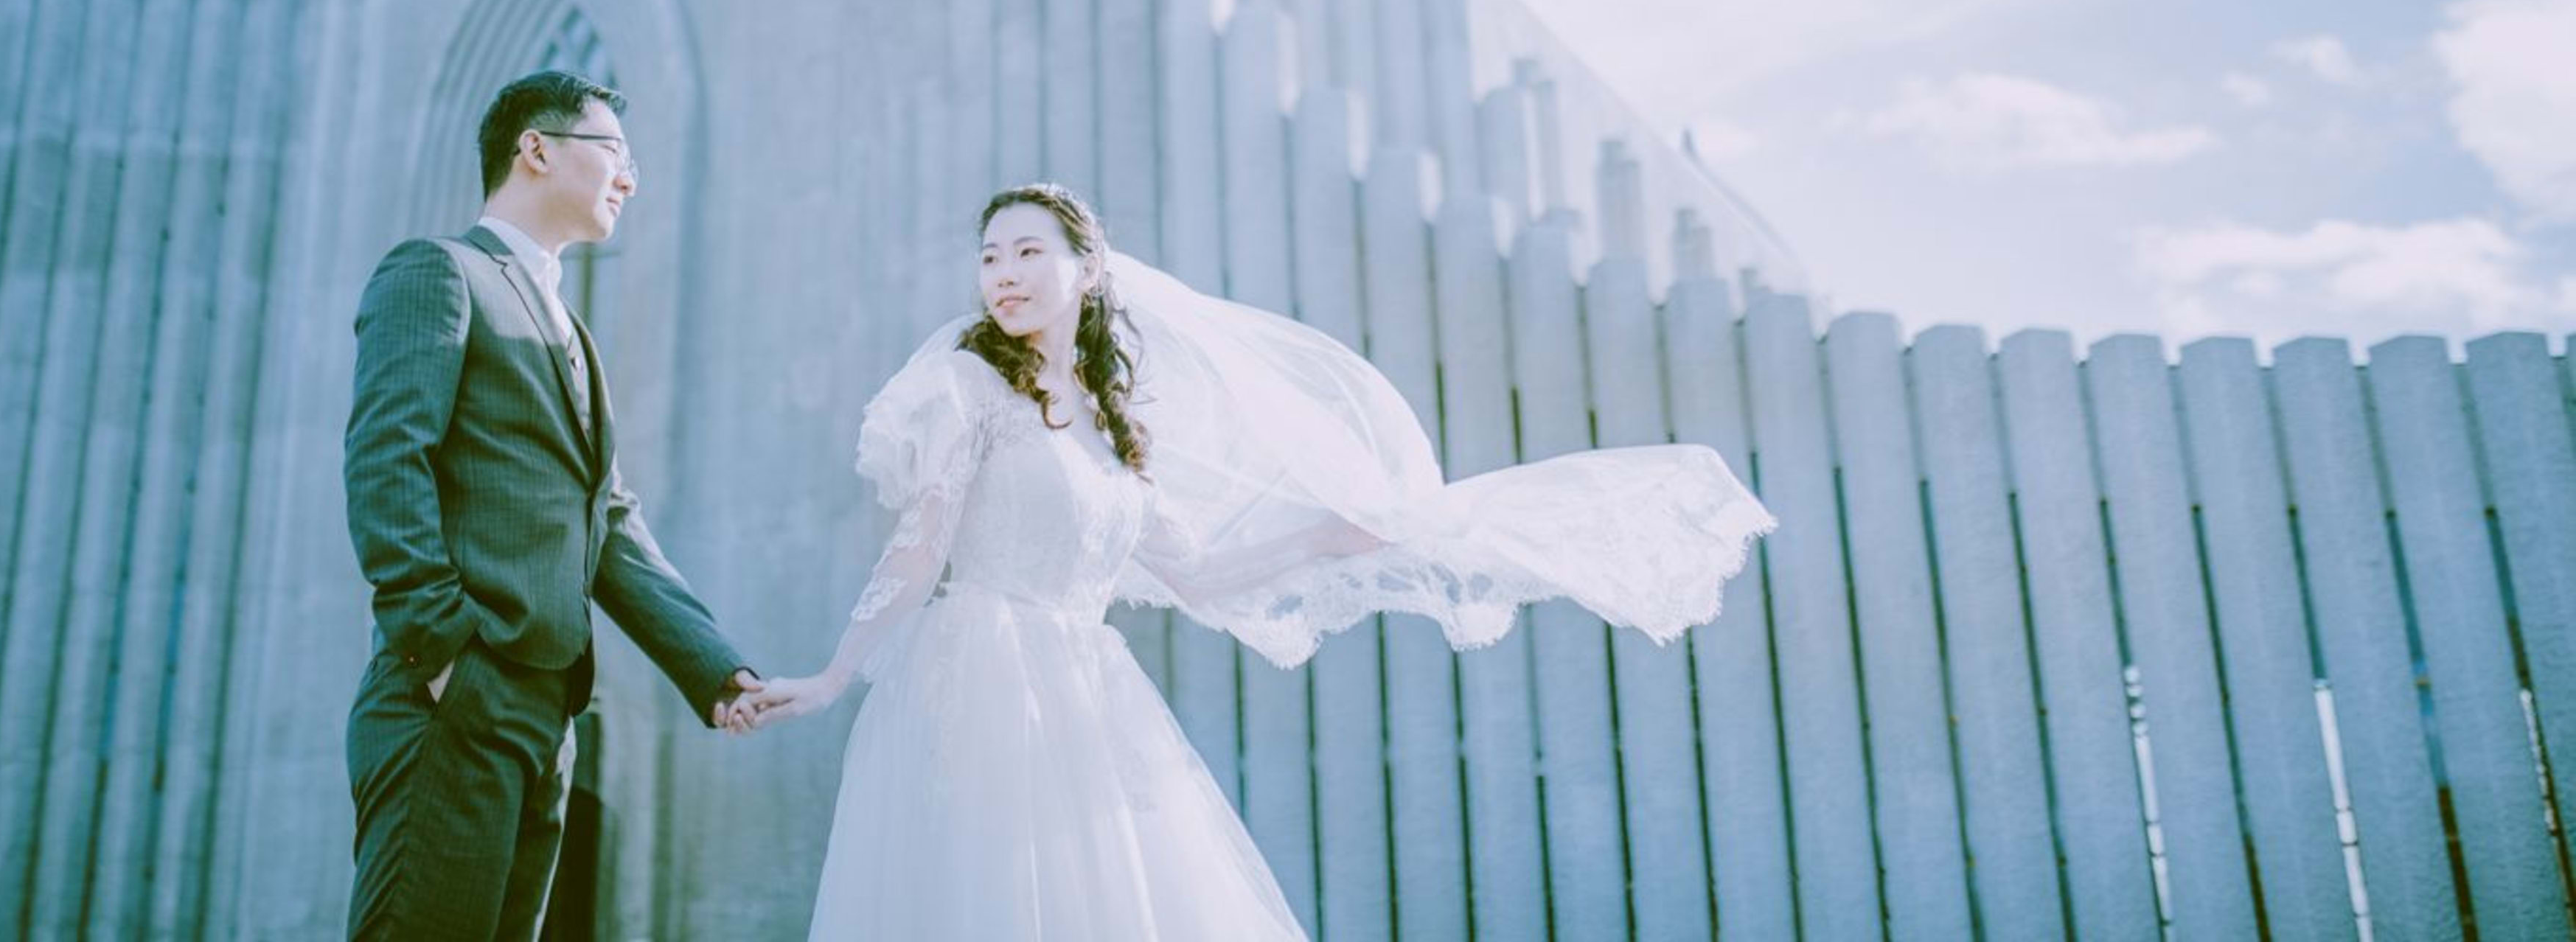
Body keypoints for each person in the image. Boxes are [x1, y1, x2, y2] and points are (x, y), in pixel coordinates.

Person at [742, 182, 1780, 940]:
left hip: (1085, 687)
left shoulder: (1113, 431)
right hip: (975, 671)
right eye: (989, 257)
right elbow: (919, 544)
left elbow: (1198, 575)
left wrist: (1336, 533)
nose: (1003, 275)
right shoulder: (966, 389)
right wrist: (837, 673)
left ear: (1086, 269)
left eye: (1027, 253)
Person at [341, 70, 767, 942]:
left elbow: (606, 522)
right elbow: (387, 459)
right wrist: (442, 648)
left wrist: (715, 671)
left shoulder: (573, 334)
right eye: (614, 151)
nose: (631, 177)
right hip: (455, 696)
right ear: (535, 149)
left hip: (546, 716)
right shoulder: (440, 273)